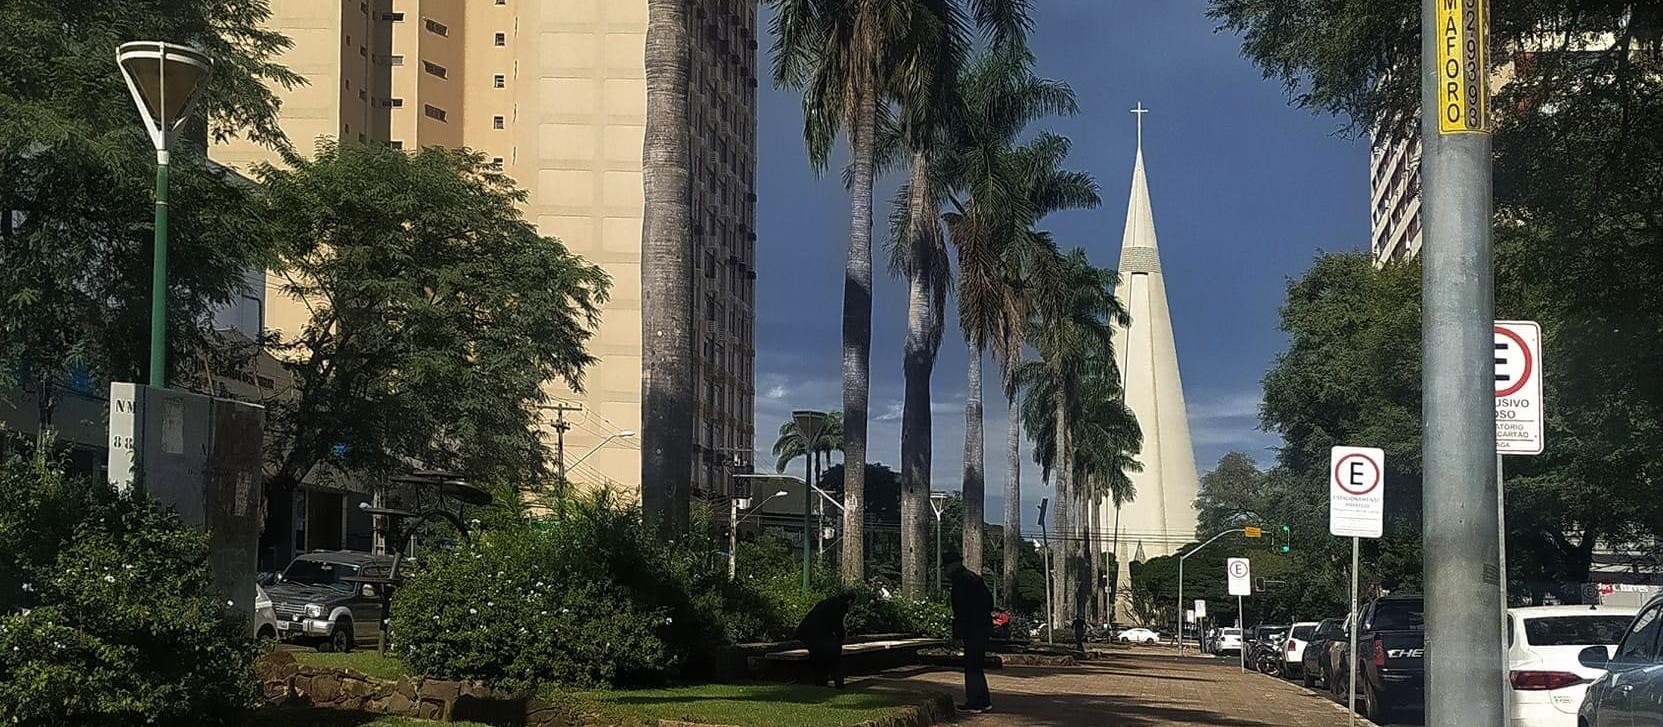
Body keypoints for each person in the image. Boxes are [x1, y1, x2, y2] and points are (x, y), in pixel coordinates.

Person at [946, 554, 993, 713]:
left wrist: (959, 633)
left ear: (953, 565)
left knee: (972, 666)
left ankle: (975, 701)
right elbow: (989, 601)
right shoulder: (974, 578)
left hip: (972, 628)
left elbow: (961, 610)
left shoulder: (961, 582)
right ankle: (984, 700)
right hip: (982, 627)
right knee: (977, 665)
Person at [794, 594, 849, 688]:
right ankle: (837, 683)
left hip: (809, 634)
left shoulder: (826, 603)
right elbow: (838, 626)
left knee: (819, 657)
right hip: (816, 636)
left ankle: (821, 682)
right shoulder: (839, 606)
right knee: (833, 656)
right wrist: (841, 637)